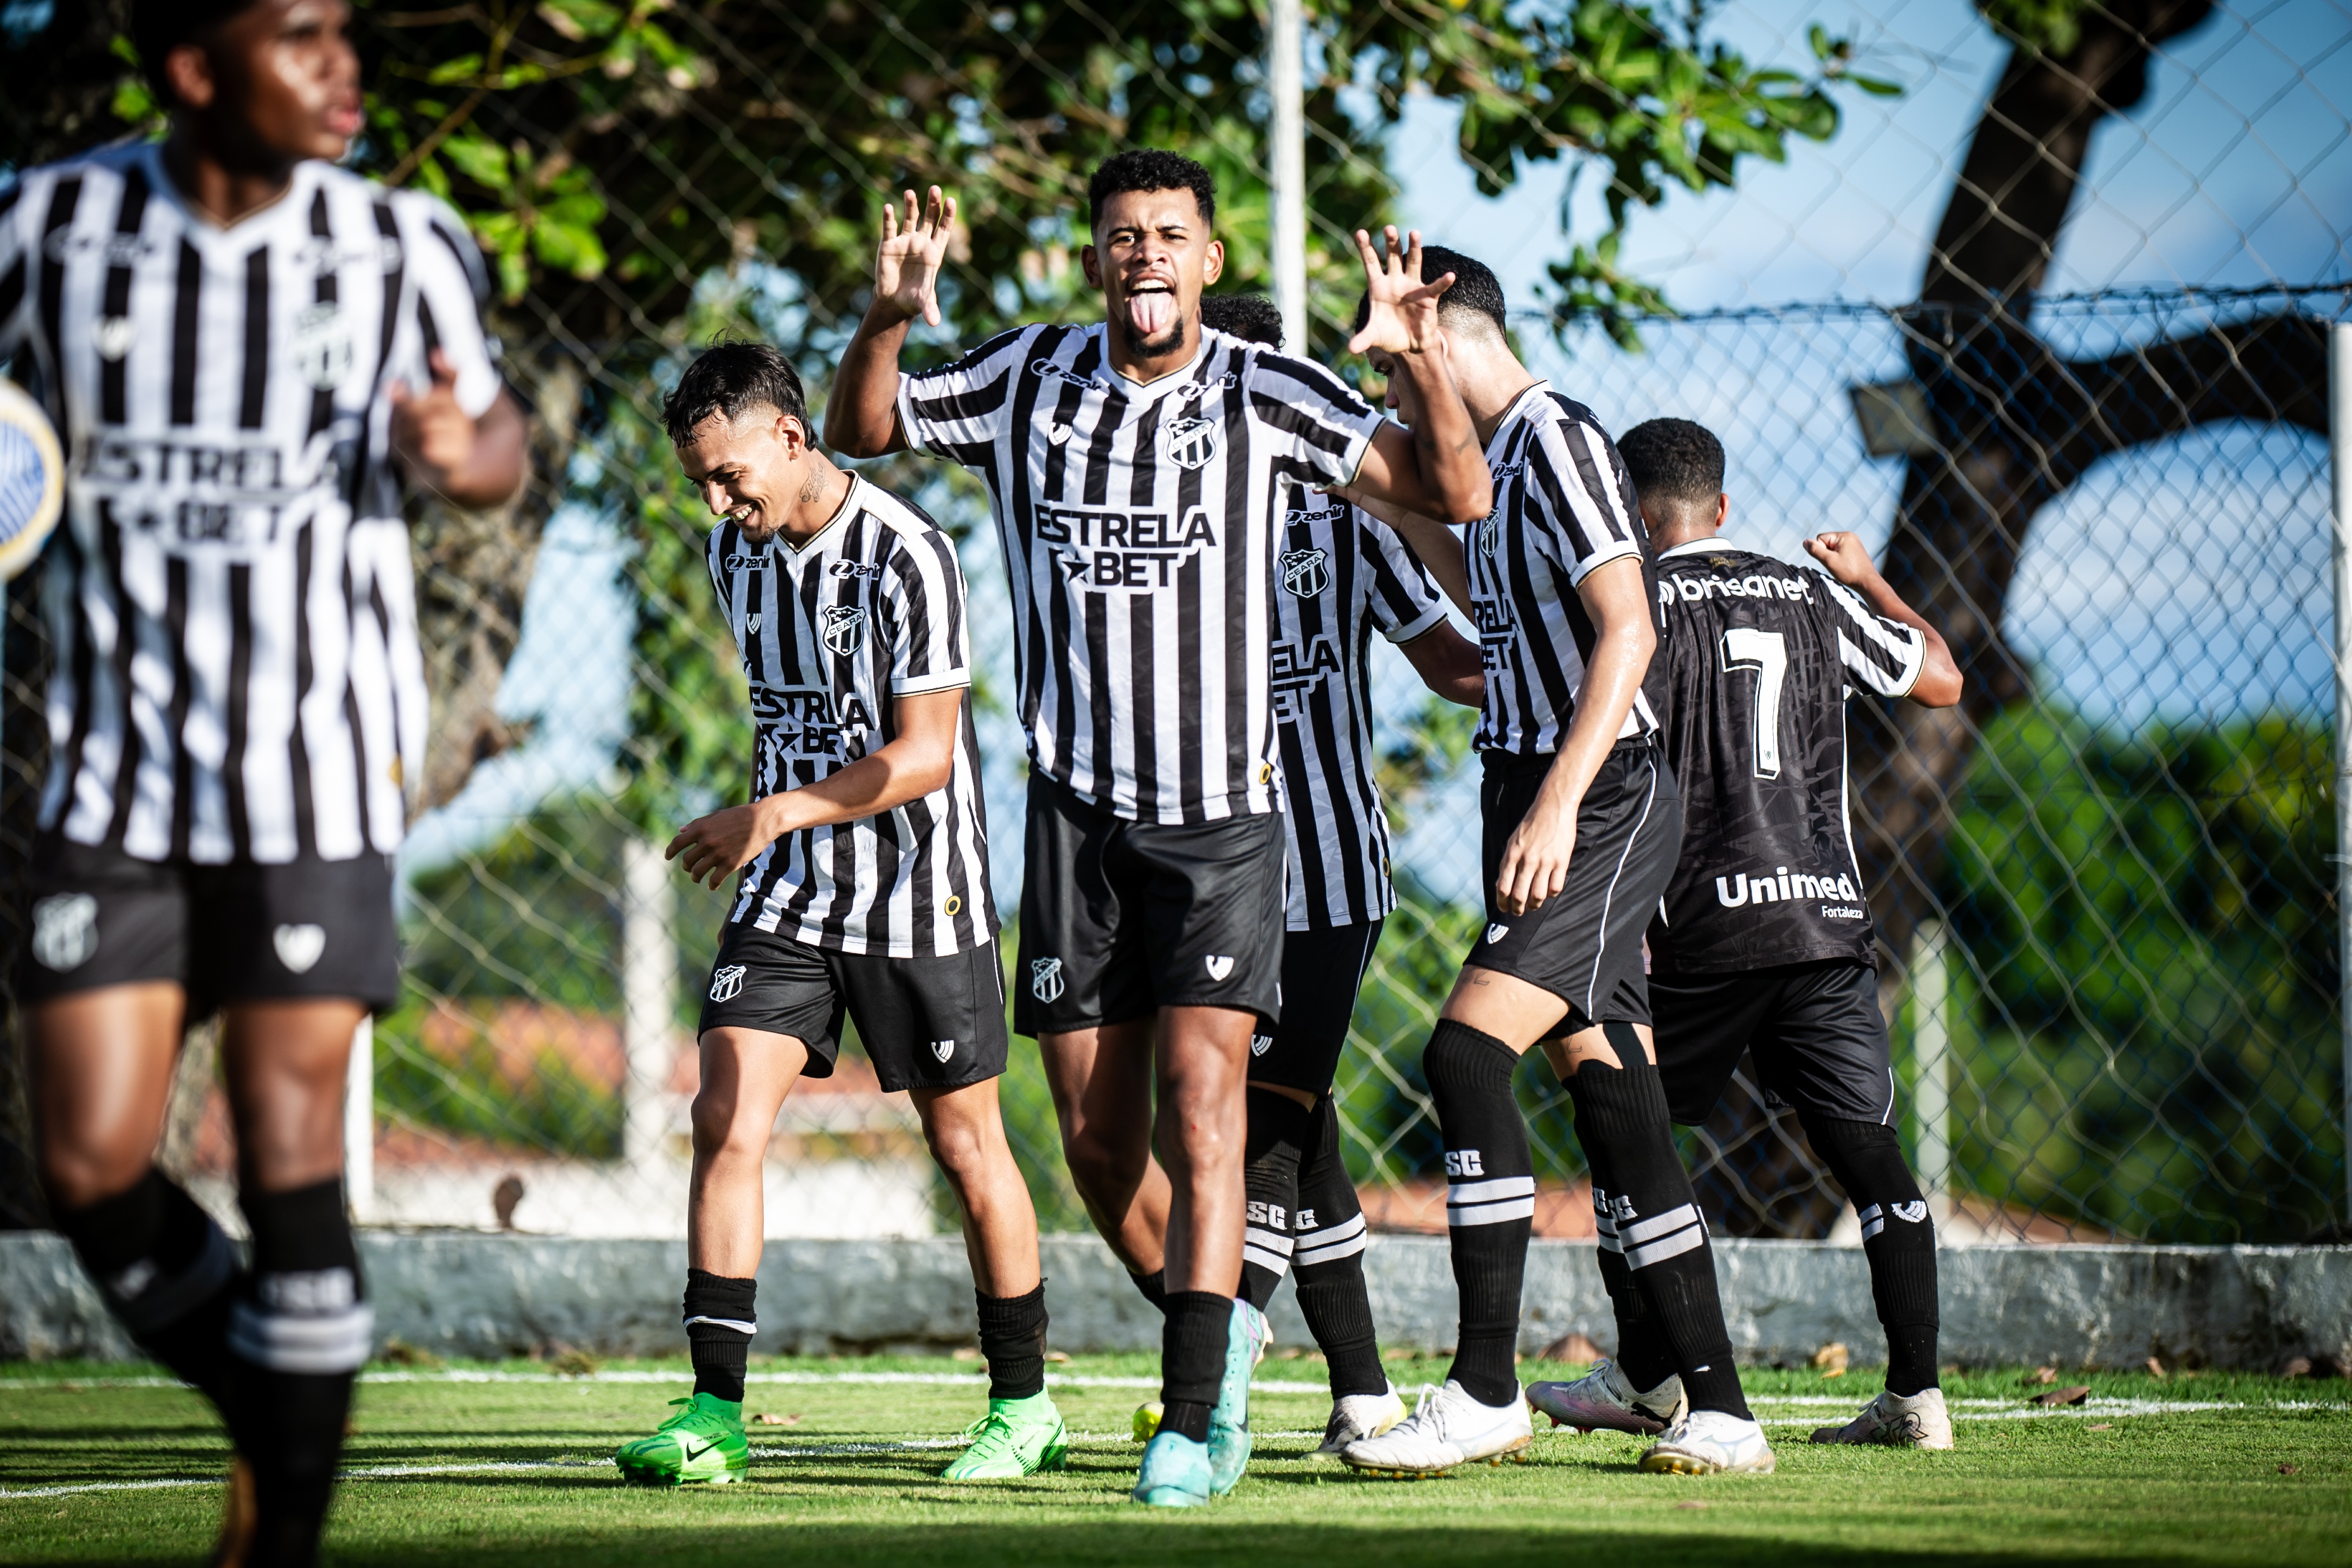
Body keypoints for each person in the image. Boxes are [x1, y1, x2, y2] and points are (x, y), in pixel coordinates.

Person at [826, 151, 1491, 1507]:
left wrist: (1417, 360)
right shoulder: (1028, 377)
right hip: (1074, 818)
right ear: (1094, 261)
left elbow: (1455, 491)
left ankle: (1199, 1411)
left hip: (1224, 823)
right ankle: (1225, 1341)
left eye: (1170, 236)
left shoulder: (1273, 390)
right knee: (1092, 1138)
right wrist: (891, 310)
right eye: (1122, 236)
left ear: (1209, 261)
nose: (1146, 256)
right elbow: (865, 427)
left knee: (1211, 1113)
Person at [0, 1, 528, 1560]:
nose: (343, 66)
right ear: (190, 68)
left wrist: (463, 447)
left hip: (315, 776)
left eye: (347, 33)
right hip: (112, 772)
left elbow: (495, 431)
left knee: (290, 1148)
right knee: (90, 1166)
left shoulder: (397, 241)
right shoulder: (46, 230)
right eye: (299, 36)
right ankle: (281, 1395)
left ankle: (274, 1538)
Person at [1332, 250, 1772, 1479]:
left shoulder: (1562, 435)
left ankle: (1484, 1389)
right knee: (1614, 1096)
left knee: (1466, 1051)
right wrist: (1394, 494)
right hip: (1527, 784)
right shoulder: (1497, 462)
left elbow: (1629, 626)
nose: (1403, 387)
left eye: (1410, 352)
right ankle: (1723, 1409)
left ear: (1451, 334)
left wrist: (1561, 807)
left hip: (1604, 790)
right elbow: (1494, 590)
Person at [614, 342, 1063, 1486]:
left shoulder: (909, 554)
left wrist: (770, 813)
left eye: (730, 476)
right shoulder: (737, 554)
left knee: (967, 1148)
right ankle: (713, 1413)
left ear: (791, 437)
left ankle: (1023, 1407)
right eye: (702, 484)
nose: (719, 504)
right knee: (726, 1114)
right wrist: (781, 829)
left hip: (921, 889)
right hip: (794, 889)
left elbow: (922, 759)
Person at [1526, 416, 1963, 1450]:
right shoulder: (1812, 595)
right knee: (1872, 1163)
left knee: (1623, 1137)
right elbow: (1940, 676)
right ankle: (1916, 1398)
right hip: (1820, 920)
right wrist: (1872, 584)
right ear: (1722, 509)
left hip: (1694, 933)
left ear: (1630, 517)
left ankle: (1650, 1378)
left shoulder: (1631, 605)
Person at [1117, 292, 1484, 1455]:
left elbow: (1453, 663)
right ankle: (1363, 1393)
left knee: (1260, 1125)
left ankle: (1214, 1374)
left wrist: (1599, 654)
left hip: (1320, 876)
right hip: (1195, 869)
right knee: (1297, 1128)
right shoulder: (1148, 526)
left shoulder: (1348, 521)